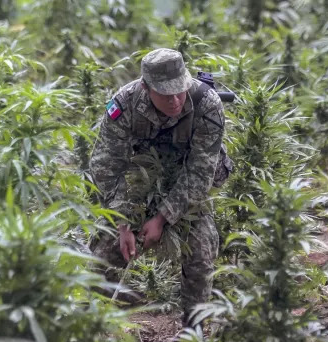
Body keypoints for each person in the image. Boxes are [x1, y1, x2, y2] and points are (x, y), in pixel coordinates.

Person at [89, 48, 229, 325]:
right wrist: (122, 225)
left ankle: (195, 329)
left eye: (180, 90)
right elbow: (106, 166)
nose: (176, 100)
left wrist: (162, 218)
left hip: (186, 187)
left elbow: (200, 173)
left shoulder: (207, 103)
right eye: (166, 94)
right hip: (138, 186)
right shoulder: (123, 105)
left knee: (200, 255)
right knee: (102, 257)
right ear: (145, 87)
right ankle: (96, 326)